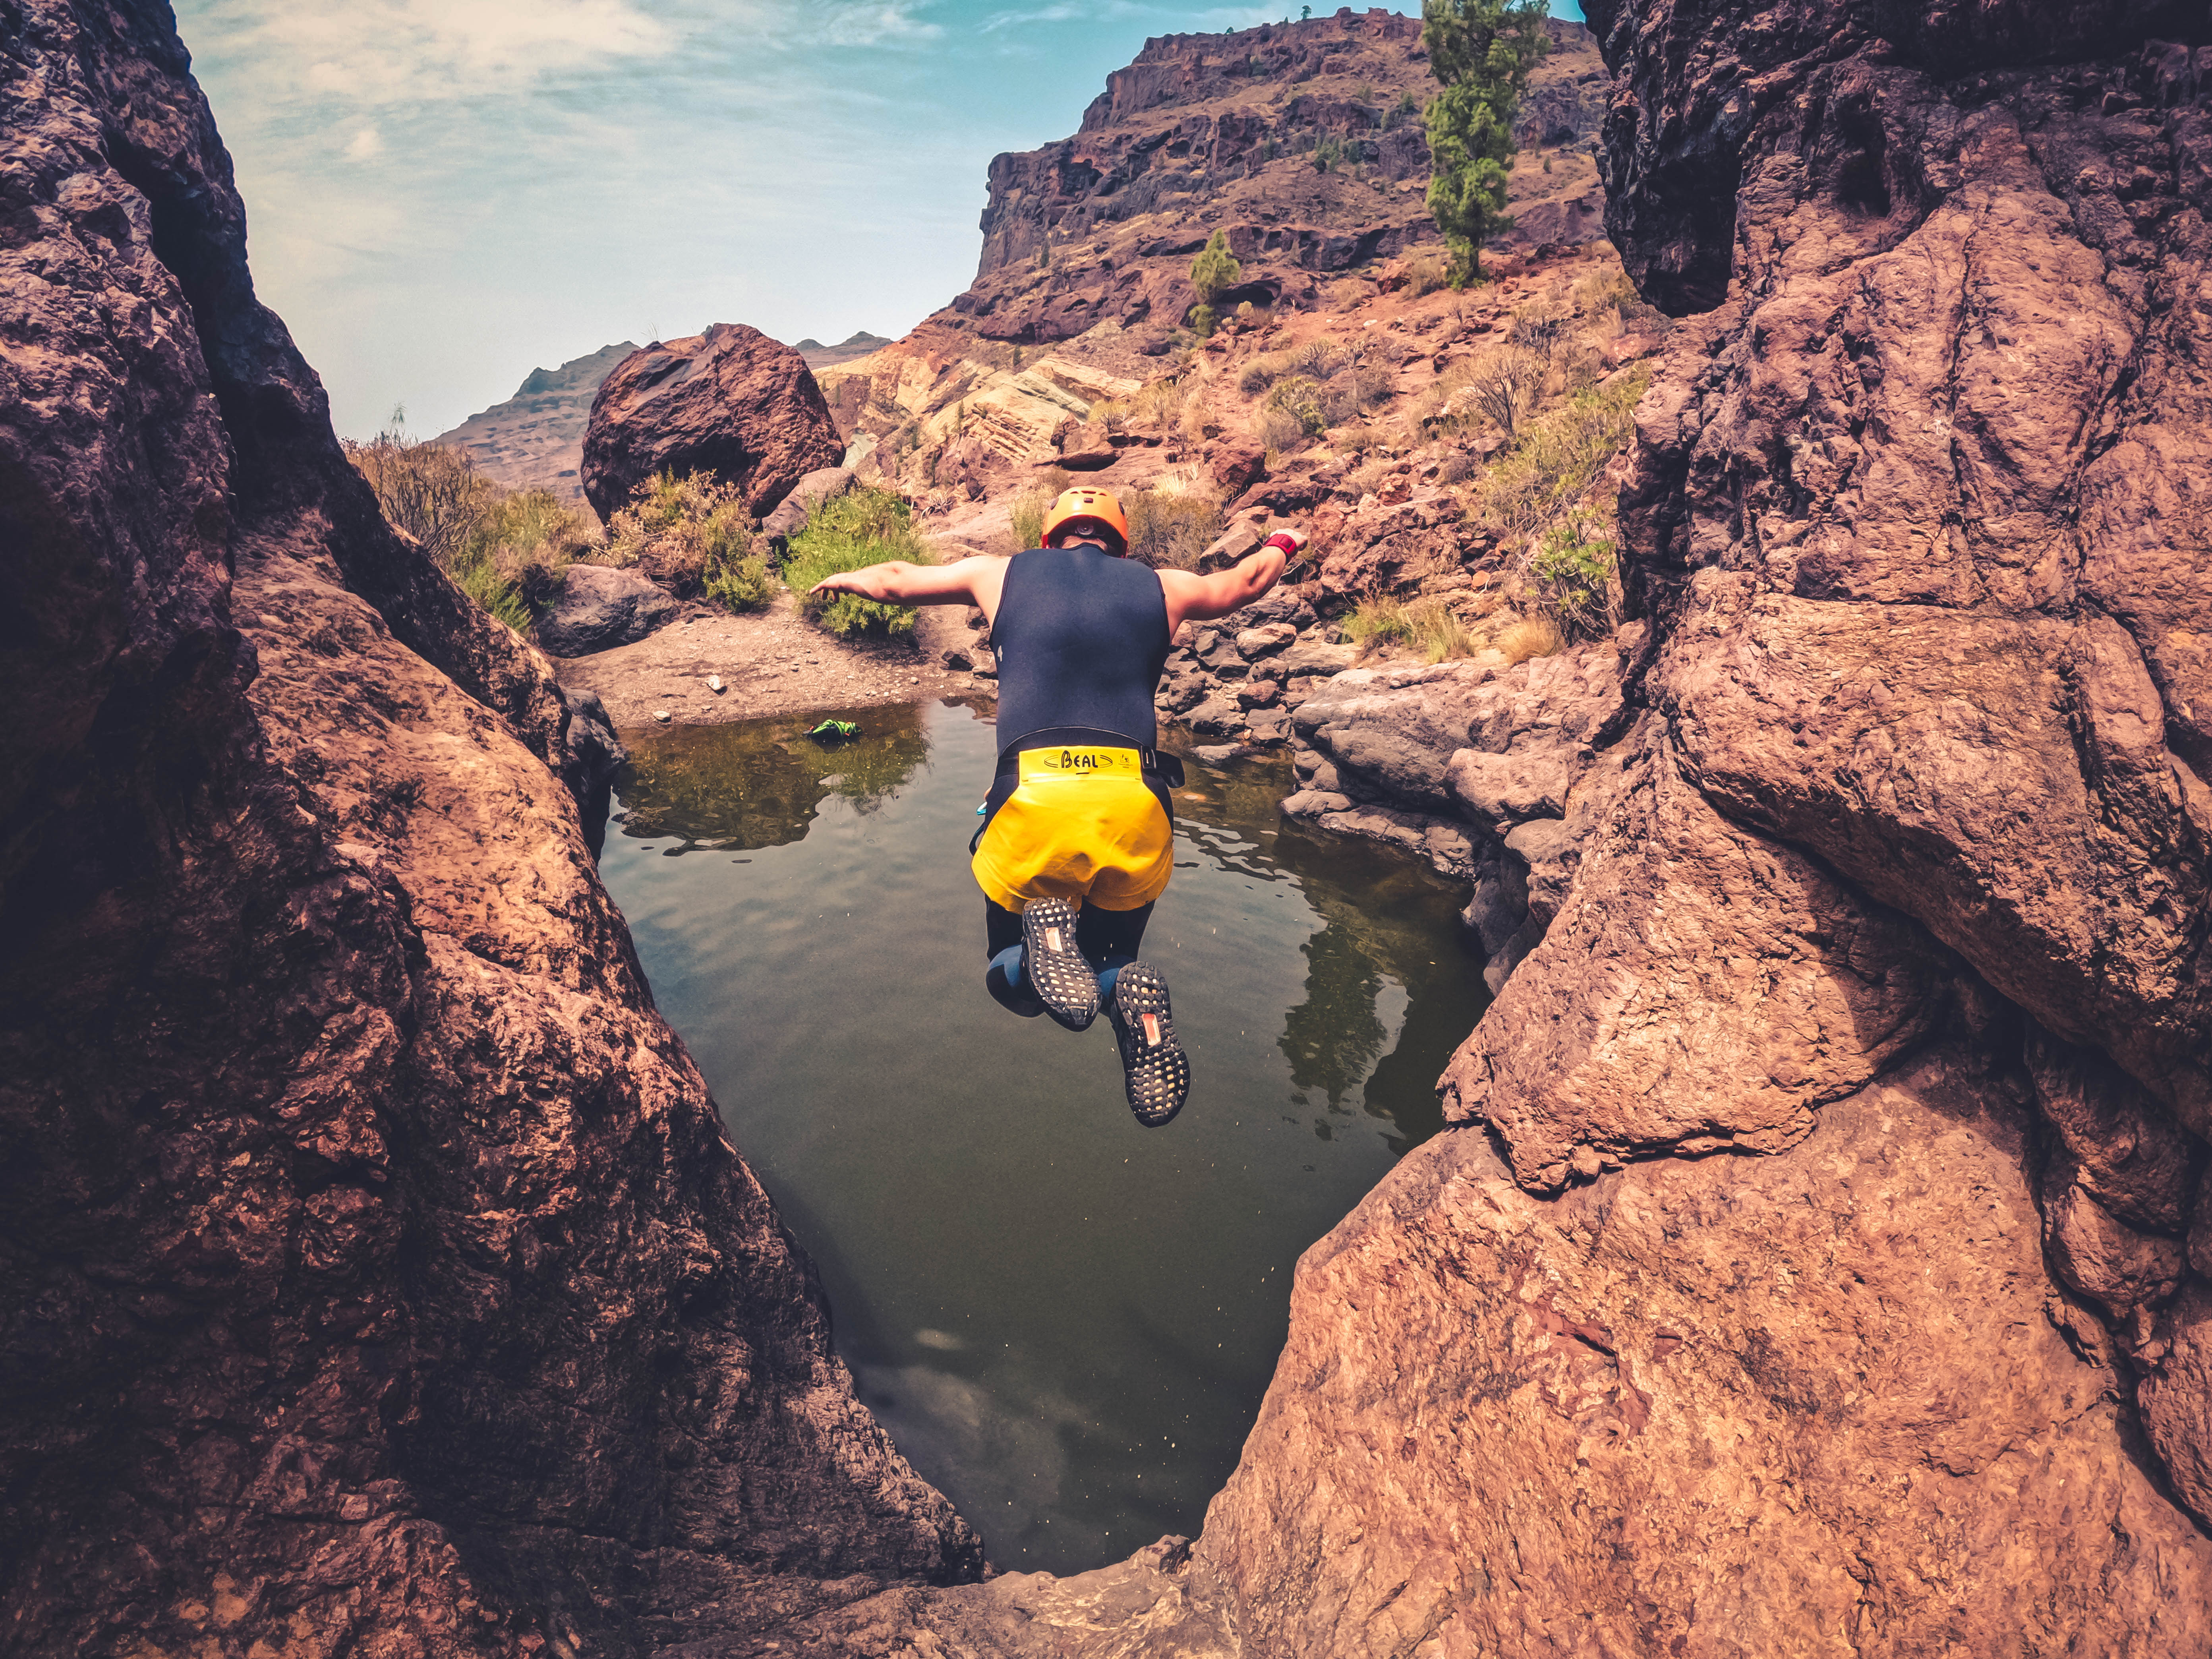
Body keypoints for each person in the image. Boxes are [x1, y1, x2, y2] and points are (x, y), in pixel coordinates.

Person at [810, 485, 1307, 1125]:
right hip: (1134, 799)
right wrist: (1285, 541)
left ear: (1049, 536)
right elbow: (1246, 582)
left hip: (1032, 796)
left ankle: (1037, 944)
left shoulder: (999, 573)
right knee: (1114, 960)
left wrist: (846, 578)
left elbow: (898, 580)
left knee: (1014, 981)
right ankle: (1136, 1012)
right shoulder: (1166, 586)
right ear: (1119, 542)